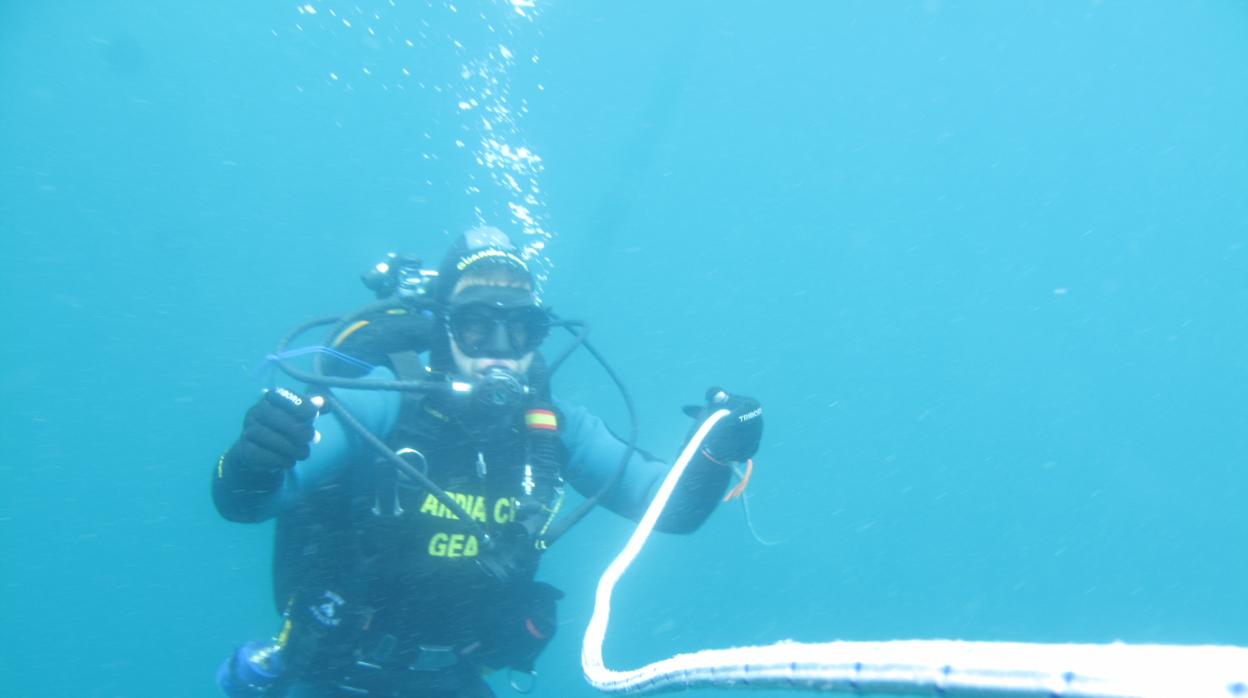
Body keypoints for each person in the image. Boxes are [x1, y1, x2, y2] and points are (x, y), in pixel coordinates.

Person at [212, 227, 763, 698]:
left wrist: (714, 450)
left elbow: (672, 510)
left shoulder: (552, 427)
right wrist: (255, 459)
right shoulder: (381, 401)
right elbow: (246, 501)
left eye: (520, 328)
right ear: (443, 328)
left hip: (455, 679)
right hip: (337, 676)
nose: (500, 347)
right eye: (477, 326)